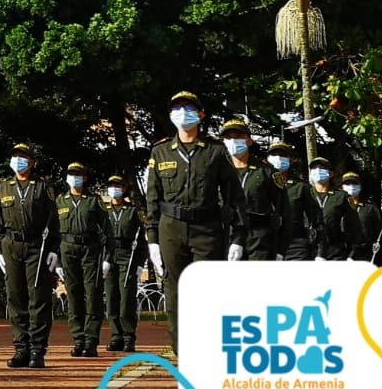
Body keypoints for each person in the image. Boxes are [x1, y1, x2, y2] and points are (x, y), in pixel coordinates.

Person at [144, 92, 246, 354]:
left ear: (201, 114)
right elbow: (152, 199)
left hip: (207, 228)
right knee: (175, 292)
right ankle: (183, 353)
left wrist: (237, 237)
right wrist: (152, 239)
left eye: (188, 108)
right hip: (170, 228)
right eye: (176, 108)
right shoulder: (160, 150)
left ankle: (207, 351)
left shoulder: (214, 151)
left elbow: (234, 197)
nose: (182, 113)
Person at [0, 143, 60, 369]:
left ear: (32, 162)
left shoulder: (42, 187)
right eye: (15, 157)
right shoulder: (3, 187)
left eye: (23, 157)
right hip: (11, 244)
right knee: (15, 298)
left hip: (36, 246)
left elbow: (54, 222)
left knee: (37, 298)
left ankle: (37, 350)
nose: (18, 161)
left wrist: (53, 249)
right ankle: (21, 348)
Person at [57, 162, 113, 358]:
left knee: (92, 294)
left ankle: (91, 341)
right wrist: (56, 262)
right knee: (73, 295)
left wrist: (107, 258)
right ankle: (78, 339)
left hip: (90, 250)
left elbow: (107, 230)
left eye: (78, 174)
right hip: (67, 250)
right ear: (67, 178)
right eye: (71, 174)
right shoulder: (60, 201)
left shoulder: (93, 201)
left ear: (85, 178)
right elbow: (54, 233)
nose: (75, 178)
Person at [220, 118, 291, 260]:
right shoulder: (218, 170)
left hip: (258, 239)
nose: (233, 141)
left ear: (249, 141)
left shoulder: (266, 172)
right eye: (229, 138)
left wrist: (281, 250)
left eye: (239, 137)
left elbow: (284, 212)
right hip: (225, 235)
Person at [102, 175, 146, 353]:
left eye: (118, 186)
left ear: (124, 189)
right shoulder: (104, 211)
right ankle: (116, 336)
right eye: (111, 186)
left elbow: (142, 241)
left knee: (126, 298)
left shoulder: (133, 211)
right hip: (109, 256)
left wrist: (140, 264)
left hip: (128, 255)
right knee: (111, 297)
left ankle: (128, 337)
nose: (115, 189)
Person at [266, 142, 325, 260]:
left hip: (295, 246)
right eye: (274, 154)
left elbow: (317, 220)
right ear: (267, 159)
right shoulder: (260, 183)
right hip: (265, 242)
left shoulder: (301, 187)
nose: (278, 158)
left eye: (283, 155)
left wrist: (320, 252)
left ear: (291, 159)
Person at [308, 157, 365, 260]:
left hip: (335, 251)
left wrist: (352, 255)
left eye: (322, 168)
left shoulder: (342, 196)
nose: (318, 170)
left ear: (331, 174)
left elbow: (355, 226)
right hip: (309, 250)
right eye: (314, 168)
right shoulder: (305, 194)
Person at [342, 172, 382, 264]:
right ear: (342, 187)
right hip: (342, 254)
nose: (351, 186)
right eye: (347, 184)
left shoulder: (370, 208)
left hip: (365, 255)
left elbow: (379, 232)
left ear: (360, 186)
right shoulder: (337, 207)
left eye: (354, 183)